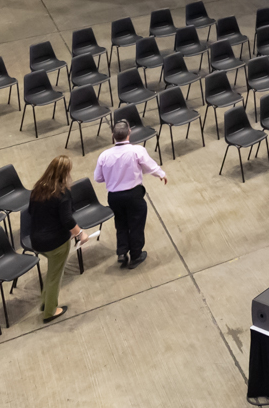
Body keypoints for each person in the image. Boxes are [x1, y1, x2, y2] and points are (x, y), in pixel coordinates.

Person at [93, 120, 167, 269]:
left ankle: (122, 251)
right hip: (133, 195)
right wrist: (161, 174)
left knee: (121, 223)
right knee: (136, 225)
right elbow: (150, 165)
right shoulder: (137, 151)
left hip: (114, 197)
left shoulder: (104, 155)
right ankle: (136, 255)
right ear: (129, 133)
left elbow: (98, 178)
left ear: (113, 136)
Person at [29, 155, 84, 321]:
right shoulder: (62, 194)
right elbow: (67, 220)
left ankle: (46, 303)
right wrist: (81, 234)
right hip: (56, 243)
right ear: (65, 173)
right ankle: (50, 311)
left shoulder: (38, 188)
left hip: (36, 240)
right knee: (55, 277)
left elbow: (31, 212)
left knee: (51, 274)